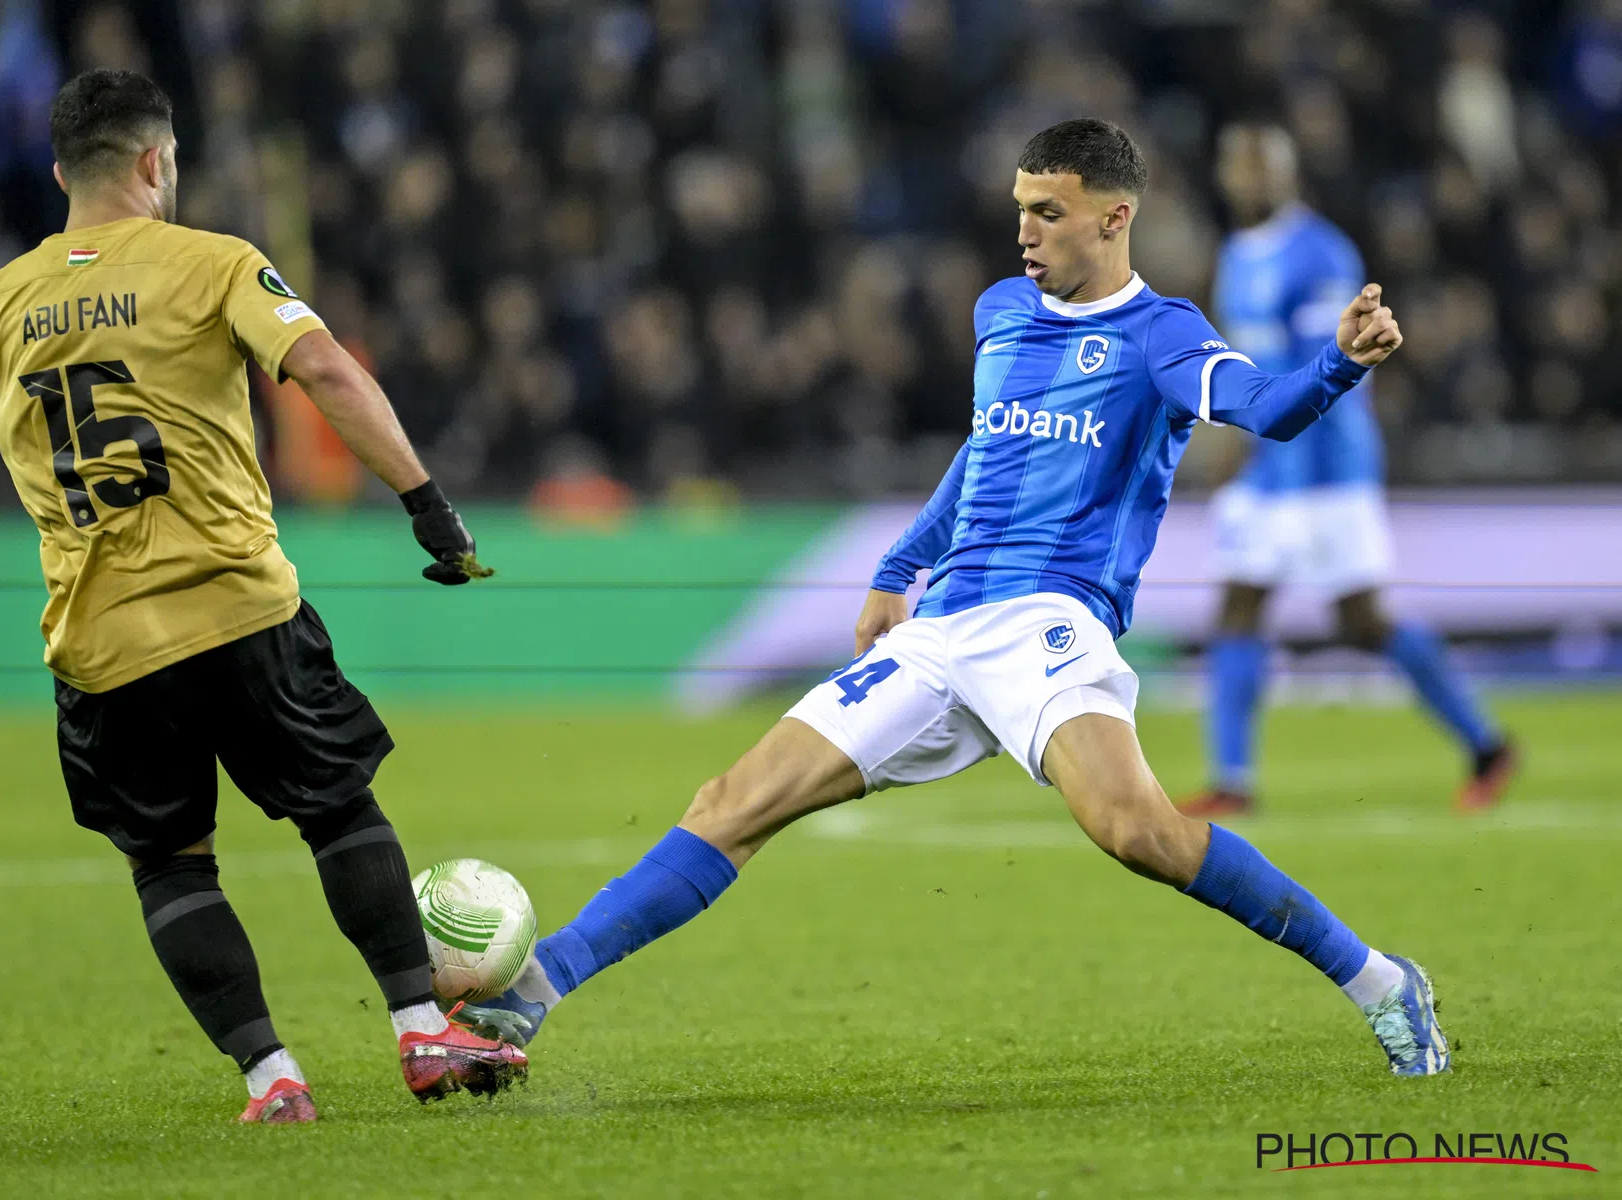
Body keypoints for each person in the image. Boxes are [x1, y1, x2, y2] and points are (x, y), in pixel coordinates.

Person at [462, 118, 1451, 1078]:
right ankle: (535, 991)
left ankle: (1380, 981)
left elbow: (1267, 410)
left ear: (1114, 218)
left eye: (1050, 211)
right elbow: (986, 457)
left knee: (1139, 832)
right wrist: (899, 567)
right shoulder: (1001, 313)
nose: (1026, 230)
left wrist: (1338, 363)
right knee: (732, 803)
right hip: (942, 629)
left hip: (1052, 620)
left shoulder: (1161, 335)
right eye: (1021, 207)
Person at [0, 69, 523, 1124]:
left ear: (58, 175)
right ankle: (421, 1034)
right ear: (154, 162)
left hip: (103, 645)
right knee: (337, 808)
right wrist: (428, 506)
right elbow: (326, 370)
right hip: (239, 609)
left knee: (171, 866)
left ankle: (273, 1083)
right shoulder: (215, 263)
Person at [1177, 122, 1515, 819]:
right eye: (1239, 165)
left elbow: (1327, 371)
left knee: (1360, 621)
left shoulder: (1321, 253)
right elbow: (1246, 362)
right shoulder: (1238, 252)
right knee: (1238, 606)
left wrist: (1257, 452)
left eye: (1262, 165)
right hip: (1268, 467)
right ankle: (1232, 780)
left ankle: (1486, 743)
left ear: (1288, 173)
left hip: (1325, 466)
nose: (1249, 178)